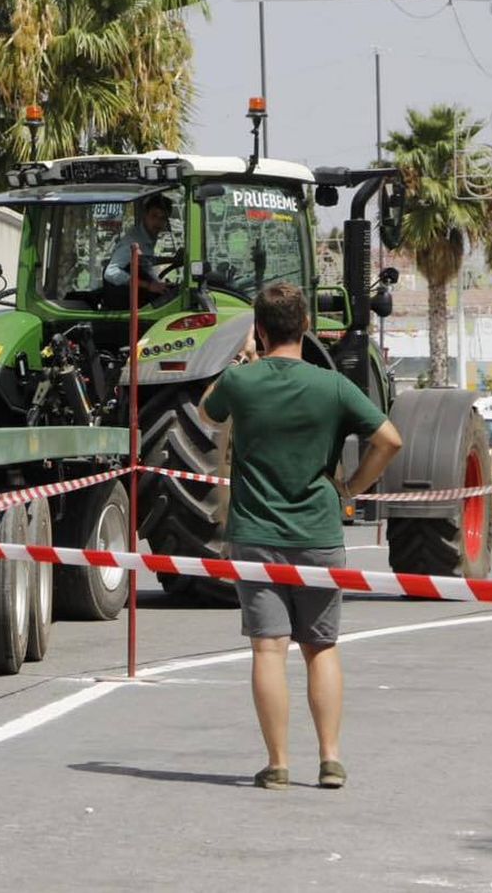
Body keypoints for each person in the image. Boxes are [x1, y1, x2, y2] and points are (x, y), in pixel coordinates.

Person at [199, 282, 403, 790]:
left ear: (260, 329)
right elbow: (389, 440)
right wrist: (352, 488)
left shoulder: (241, 381)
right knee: (321, 647)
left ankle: (278, 764)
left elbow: (205, 411)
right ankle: (330, 759)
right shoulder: (333, 386)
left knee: (269, 650)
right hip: (318, 533)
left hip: (256, 534)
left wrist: (243, 358)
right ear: (306, 326)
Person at [103, 194, 173, 305]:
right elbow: (110, 272)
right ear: (145, 215)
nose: (157, 222)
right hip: (124, 302)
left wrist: (172, 261)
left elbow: (146, 264)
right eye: (154, 216)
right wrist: (148, 285)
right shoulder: (133, 241)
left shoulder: (149, 236)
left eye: (163, 218)